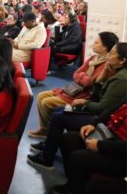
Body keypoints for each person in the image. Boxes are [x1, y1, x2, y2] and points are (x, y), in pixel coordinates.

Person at [27, 42, 127, 170]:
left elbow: (103, 107)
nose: (108, 56)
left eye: (112, 54)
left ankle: (47, 159)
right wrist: (100, 79)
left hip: (101, 117)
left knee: (59, 117)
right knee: (59, 110)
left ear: (122, 60)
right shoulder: (112, 70)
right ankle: (48, 144)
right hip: (95, 109)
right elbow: (92, 91)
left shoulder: (121, 79)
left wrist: (85, 103)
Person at [28, 32, 119, 139]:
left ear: (105, 47)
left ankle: (50, 132)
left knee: (46, 102)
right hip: (75, 90)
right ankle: (45, 129)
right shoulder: (93, 58)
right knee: (41, 96)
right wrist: (84, 77)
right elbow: (76, 73)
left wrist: (83, 77)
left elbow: (91, 82)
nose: (92, 44)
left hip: (83, 96)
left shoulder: (107, 65)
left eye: (96, 43)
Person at [51, 102, 127, 194]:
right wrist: (93, 124)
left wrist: (100, 145)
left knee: (78, 158)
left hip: (121, 154)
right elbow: (111, 109)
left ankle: (77, 189)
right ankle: (72, 185)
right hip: (108, 135)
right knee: (68, 139)